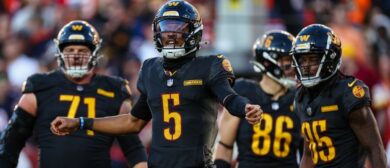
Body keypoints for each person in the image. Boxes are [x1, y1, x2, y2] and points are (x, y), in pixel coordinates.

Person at [50, 1, 263, 168]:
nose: (171, 34)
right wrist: (80, 122)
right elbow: (134, 122)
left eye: (179, 28)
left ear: (194, 33)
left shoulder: (210, 65)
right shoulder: (150, 69)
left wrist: (245, 108)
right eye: (166, 28)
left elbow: (229, 97)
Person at [0, 20, 148, 168]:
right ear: (60, 53)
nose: (76, 56)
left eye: (82, 51)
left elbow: (133, 148)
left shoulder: (114, 90)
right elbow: (11, 142)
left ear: (94, 53)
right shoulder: (40, 86)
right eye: (70, 51)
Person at [292, 24, 386, 168]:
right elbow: (309, 152)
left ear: (330, 59)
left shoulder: (347, 94)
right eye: (303, 60)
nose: (305, 66)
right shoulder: (302, 96)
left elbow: (374, 147)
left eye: (312, 59)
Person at [214, 30, 301, 168]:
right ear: (267, 62)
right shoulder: (243, 91)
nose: (293, 68)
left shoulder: (299, 97)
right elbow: (225, 147)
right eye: (287, 62)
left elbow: (307, 154)